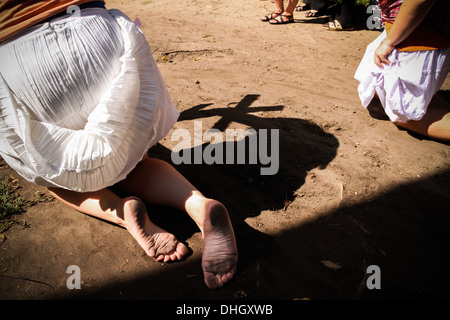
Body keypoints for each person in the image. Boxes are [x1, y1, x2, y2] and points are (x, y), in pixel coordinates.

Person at [0, 0, 238, 289]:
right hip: (94, 35)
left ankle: (121, 210)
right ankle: (199, 206)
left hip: (16, 59)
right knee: (136, 160)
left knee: (51, 170)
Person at [354, 0, 450, 141]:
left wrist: (390, 42)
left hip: (419, 37)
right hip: (400, 29)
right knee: (380, 96)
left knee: (400, 113)